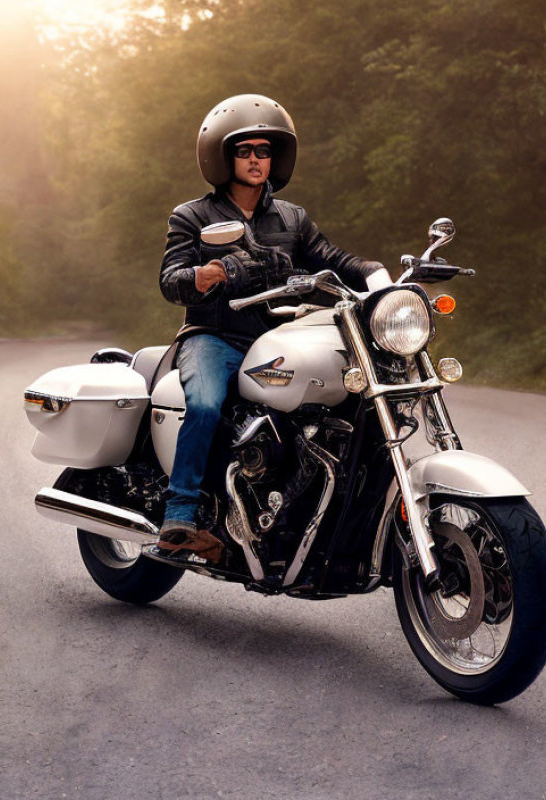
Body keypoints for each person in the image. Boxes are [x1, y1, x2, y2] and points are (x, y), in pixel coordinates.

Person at [152, 93, 392, 564]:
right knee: (203, 403)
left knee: (347, 399)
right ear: (222, 155)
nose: (256, 159)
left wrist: (377, 275)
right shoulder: (193, 216)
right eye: (245, 151)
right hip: (214, 337)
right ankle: (179, 516)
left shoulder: (292, 219)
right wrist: (206, 275)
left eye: (264, 151)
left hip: (279, 338)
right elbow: (170, 280)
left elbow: (332, 260)